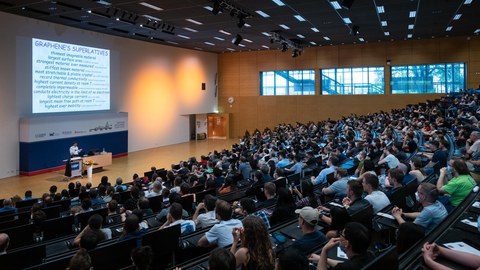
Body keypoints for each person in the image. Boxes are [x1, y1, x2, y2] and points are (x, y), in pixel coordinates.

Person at [309, 222, 374, 270]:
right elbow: (345, 264)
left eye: (341, 234)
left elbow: (343, 266)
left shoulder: (344, 268)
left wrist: (324, 250)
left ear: (347, 243)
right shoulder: (371, 255)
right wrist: (321, 259)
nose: (339, 236)